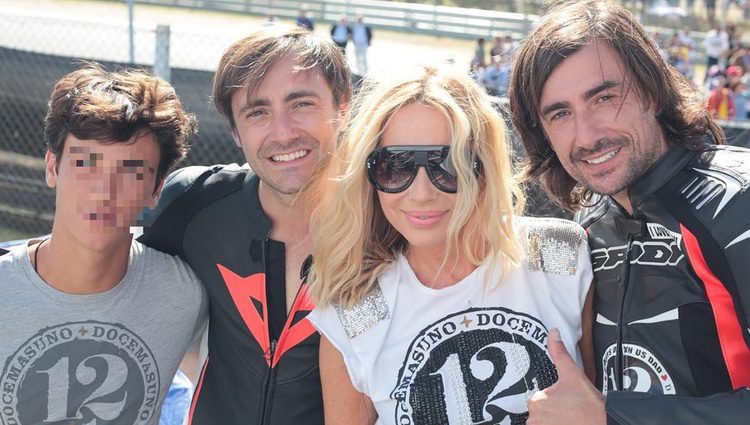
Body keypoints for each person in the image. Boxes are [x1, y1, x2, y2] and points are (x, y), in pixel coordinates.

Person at [306, 65, 595, 424]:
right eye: (395, 166)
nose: (422, 192)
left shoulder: (560, 253)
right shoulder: (352, 311)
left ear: (485, 168)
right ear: (369, 176)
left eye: (448, 165)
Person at [509, 1, 750, 423]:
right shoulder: (588, 227)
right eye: (560, 114)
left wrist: (612, 415)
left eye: (604, 98)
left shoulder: (736, 204)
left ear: (652, 91)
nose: (587, 135)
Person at [138, 26, 352, 424]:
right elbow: (101, 268)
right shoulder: (194, 204)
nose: (283, 133)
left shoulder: (387, 221)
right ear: (235, 131)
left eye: (301, 104)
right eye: (258, 112)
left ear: (343, 106)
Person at [0, 64, 206, 424]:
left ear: (156, 189)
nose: (104, 192)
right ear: (52, 167)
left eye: (130, 171)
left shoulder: (185, 292)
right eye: (86, 163)